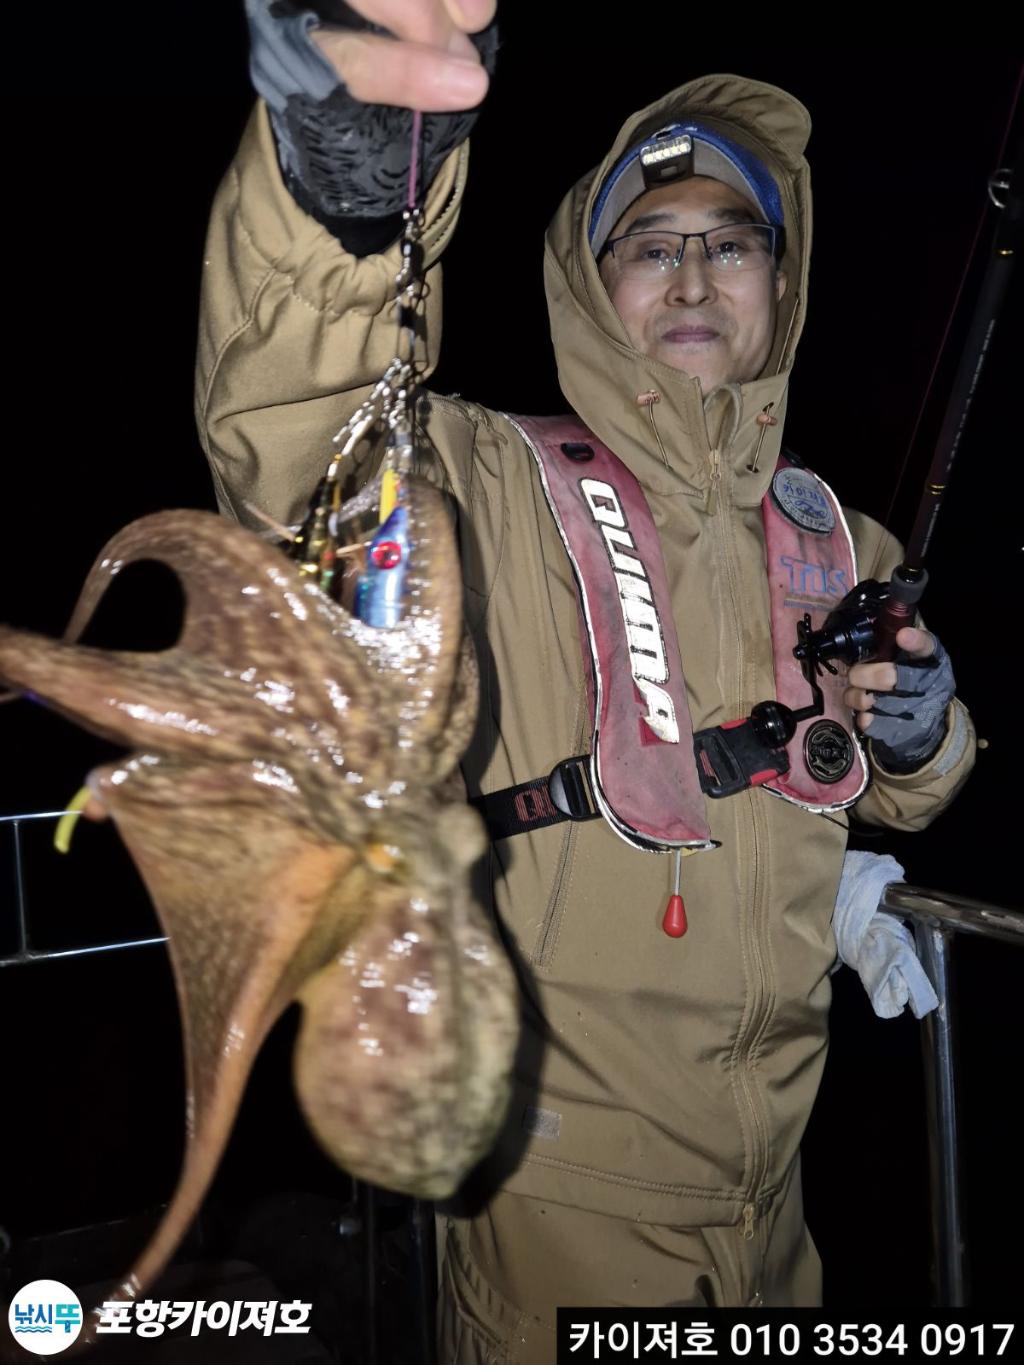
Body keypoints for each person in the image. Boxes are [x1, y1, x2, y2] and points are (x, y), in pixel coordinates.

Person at [198, 3, 976, 1357]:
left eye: (730, 245)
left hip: (784, 1203)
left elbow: (897, 778)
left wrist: (917, 736)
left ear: (778, 286)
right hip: (555, 1204)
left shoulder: (838, 536)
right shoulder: (491, 482)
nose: (692, 278)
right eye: (652, 246)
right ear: (588, 282)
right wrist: (350, 189)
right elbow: (305, 449)